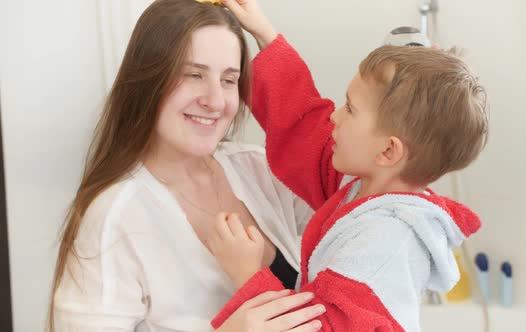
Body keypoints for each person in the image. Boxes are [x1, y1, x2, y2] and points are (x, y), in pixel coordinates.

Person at [207, 0, 489, 331]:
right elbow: (306, 132)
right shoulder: (369, 188)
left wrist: (248, 273)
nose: (334, 116)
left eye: (350, 109)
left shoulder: (383, 244)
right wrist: (265, 35)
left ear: (387, 150)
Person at [48, 0, 326, 331]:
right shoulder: (114, 218)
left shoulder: (258, 169)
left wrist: (269, 40)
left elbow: (350, 186)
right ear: (147, 81)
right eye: (193, 75)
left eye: (228, 80)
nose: (215, 100)